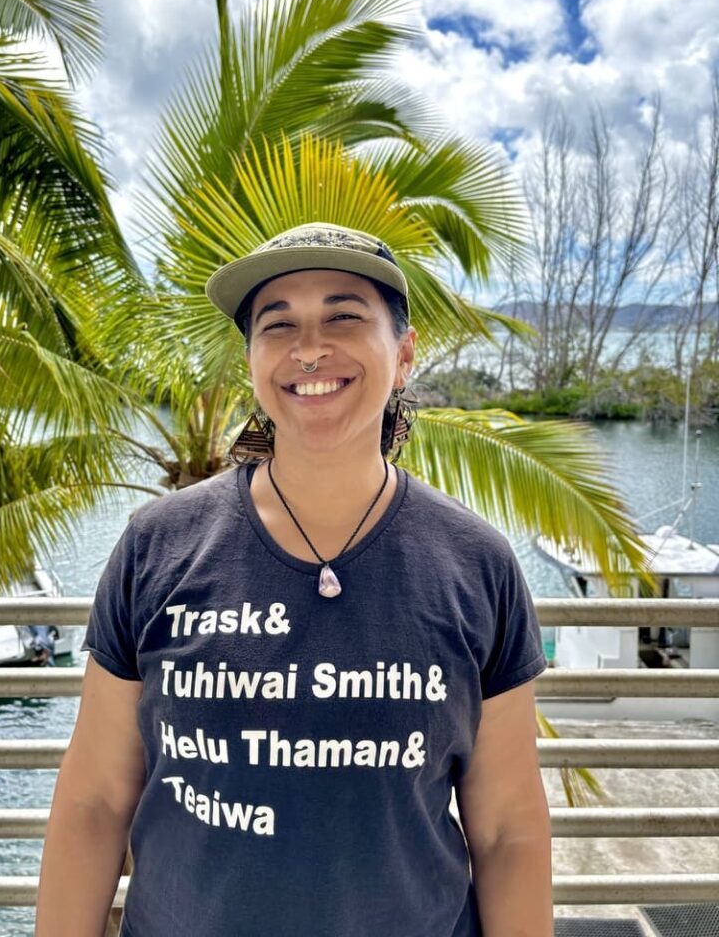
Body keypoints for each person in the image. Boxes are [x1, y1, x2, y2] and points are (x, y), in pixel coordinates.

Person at [36, 222, 553, 937]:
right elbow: (94, 802)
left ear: (402, 356)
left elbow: (507, 832)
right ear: (252, 360)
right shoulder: (156, 546)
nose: (310, 348)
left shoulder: (477, 564)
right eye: (278, 326)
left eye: (344, 316)